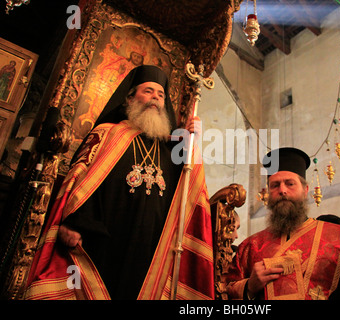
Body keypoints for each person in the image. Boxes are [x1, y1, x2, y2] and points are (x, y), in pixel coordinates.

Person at [24, 65, 214, 300]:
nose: (155, 97)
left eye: (161, 94)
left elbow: (189, 189)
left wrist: (193, 141)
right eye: (148, 91)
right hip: (104, 242)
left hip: (150, 249)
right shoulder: (107, 133)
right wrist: (73, 222)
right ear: (130, 98)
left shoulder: (172, 149)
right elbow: (81, 180)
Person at [225, 147, 340, 300]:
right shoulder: (250, 246)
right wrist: (249, 287)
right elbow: (224, 292)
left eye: (290, 184)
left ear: (305, 190)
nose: (282, 190)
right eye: (275, 185)